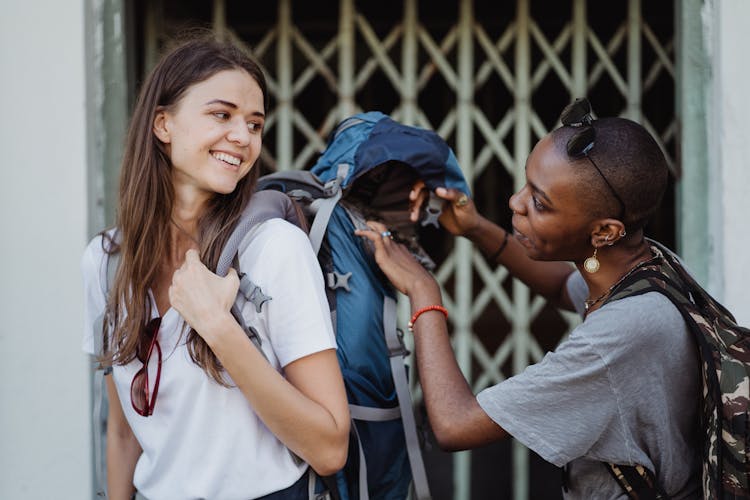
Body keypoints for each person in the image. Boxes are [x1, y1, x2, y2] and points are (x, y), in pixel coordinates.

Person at [356, 98, 701, 498]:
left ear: (605, 232)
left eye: (539, 203)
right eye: (526, 184)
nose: (515, 203)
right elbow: (561, 287)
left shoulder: (622, 334)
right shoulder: (651, 268)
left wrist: (423, 291)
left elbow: (454, 424)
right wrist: (475, 228)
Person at [81, 36, 350, 500]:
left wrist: (217, 327)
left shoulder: (274, 250)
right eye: (221, 115)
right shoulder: (107, 263)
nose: (243, 137)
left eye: (254, 123)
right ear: (163, 124)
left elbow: (329, 448)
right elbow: (125, 434)